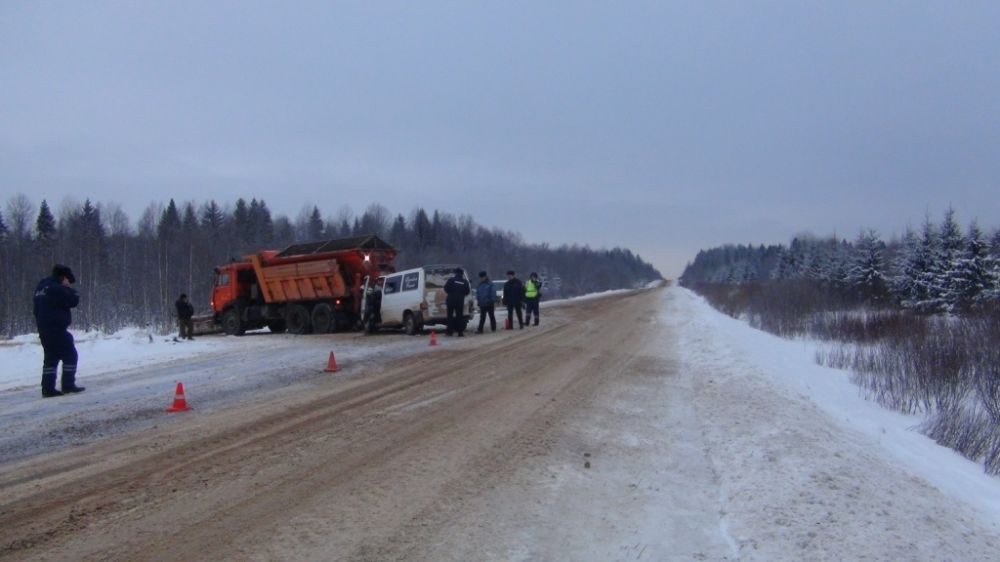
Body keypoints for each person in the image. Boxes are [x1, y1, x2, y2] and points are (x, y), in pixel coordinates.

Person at [33, 264, 84, 397]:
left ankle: (47, 388)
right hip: (56, 328)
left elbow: (36, 308)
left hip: (44, 328)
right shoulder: (55, 288)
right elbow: (73, 300)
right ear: (62, 277)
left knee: (51, 358)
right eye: (68, 281)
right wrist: (71, 291)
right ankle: (68, 385)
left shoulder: (41, 286)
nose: (68, 284)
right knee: (70, 354)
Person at [444, 267, 470, 337]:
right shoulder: (465, 282)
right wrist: (461, 295)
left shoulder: (451, 280)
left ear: (456, 273)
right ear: (462, 274)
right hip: (459, 301)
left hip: (450, 301)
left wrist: (451, 293)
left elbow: (446, 288)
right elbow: (467, 291)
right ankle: (460, 332)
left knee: (450, 316)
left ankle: (449, 331)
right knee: (459, 317)